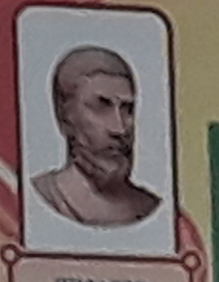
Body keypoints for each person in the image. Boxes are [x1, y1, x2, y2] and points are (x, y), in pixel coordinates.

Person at [30, 43, 160, 233]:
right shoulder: (39, 195)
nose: (120, 129)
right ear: (65, 115)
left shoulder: (150, 207)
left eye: (127, 109)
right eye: (101, 106)